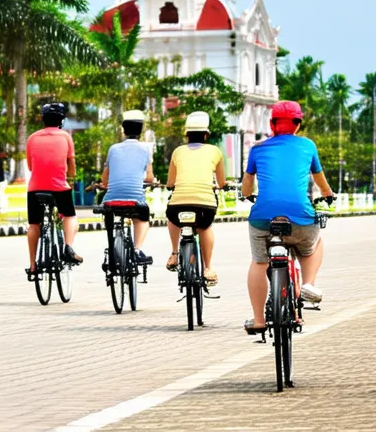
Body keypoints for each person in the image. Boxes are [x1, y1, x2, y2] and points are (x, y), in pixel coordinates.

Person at [240, 100, 335, 333]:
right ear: (298, 124)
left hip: (263, 219)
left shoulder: (257, 149)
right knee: (313, 244)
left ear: (272, 123)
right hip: (300, 217)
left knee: (259, 262)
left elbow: (246, 187)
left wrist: (247, 196)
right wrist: (328, 194)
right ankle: (309, 285)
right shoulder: (308, 146)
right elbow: (321, 182)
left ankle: (259, 320)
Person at [164, 111, 225, 284]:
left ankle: (175, 253)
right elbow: (221, 182)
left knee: (172, 218)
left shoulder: (178, 152)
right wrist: (217, 185)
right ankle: (208, 267)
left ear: (187, 135)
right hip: (204, 207)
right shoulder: (215, 151)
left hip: (178, 206)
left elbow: (170, 182)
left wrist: (172, 186)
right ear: (206, 135)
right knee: (205, 228)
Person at [25, 102, 80, 272]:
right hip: (59, 188)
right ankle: (68, 247)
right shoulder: (65, 137)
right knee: (70, 216)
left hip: (35, 189)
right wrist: (70, 177)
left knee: (34, 225)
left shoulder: (32, 138)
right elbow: (71, 164)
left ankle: (33, 265)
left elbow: (30, 167)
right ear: (61, 120)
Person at [99, 109, 155, 265]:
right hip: (135, 198)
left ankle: (111, 250)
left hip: (112, 199)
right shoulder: (145, 149)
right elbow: (149, 177)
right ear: (141, 131)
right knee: (142, 219)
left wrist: (105, 184)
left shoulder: (113, 149)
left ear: (123, 131)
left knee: (109, 216)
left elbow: (105, 179)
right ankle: (137, 250)